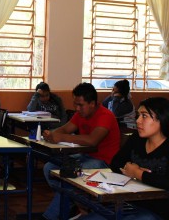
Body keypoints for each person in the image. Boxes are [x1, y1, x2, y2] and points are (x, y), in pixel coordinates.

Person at [79, 97, 169, 220]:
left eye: (144, 116)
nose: (138, 121)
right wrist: (130, 169)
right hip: (128, 203)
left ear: (161, 118)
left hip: (158, 211)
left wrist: (138, 173)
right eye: (138, 115)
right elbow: (116, 162)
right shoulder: (137, 138)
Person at [42, 82, 121, 220]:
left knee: (69, 177)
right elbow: (65, 129)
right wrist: (51, 134)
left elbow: (92, 140)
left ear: (92, 103)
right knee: (49, 168)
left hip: (105, 163)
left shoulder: (105, 116)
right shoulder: (81, 114)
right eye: (75, 104)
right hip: (86, 157)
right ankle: (77, 205)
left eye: (80, 105)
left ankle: (51, 216)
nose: (77, 108)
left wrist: (61, 137)